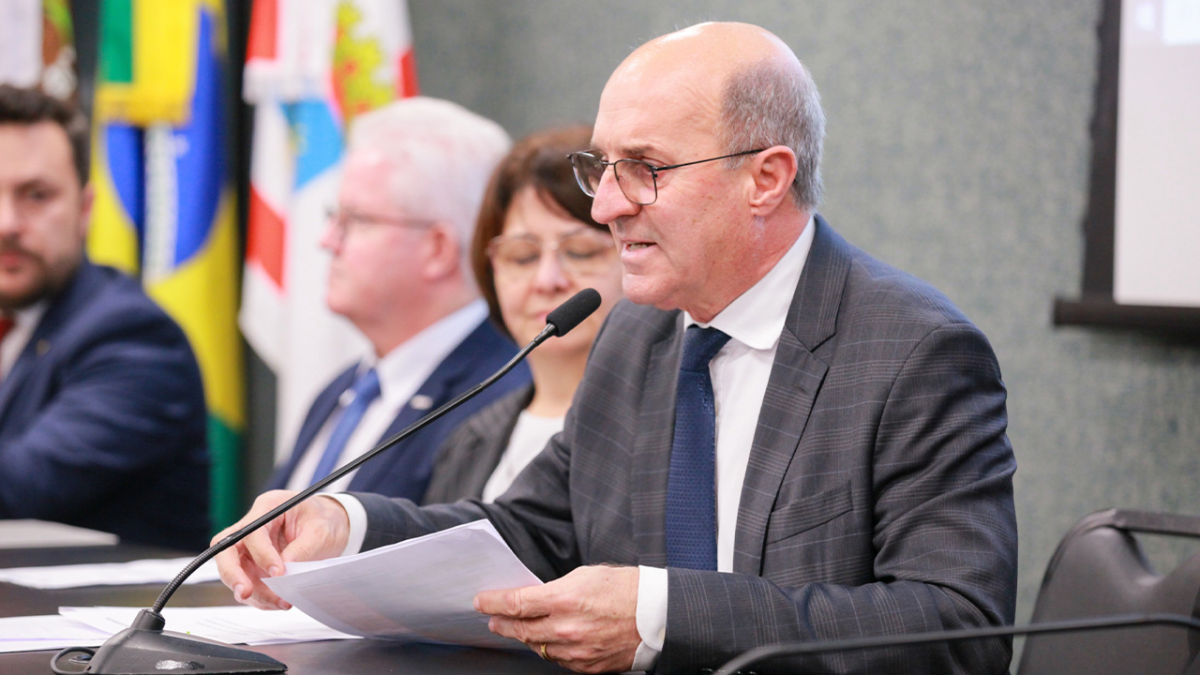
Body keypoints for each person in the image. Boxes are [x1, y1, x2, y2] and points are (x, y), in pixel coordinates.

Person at [216, 22, 1017, 674]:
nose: (604, 205)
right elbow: (530, 531)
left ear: (766, 179)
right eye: (601, 166)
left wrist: (659, 614)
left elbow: (958, 627)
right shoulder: (637, 333)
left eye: (644, 169)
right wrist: (346, 524)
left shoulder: (914, 351)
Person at [264, 97, 531, 501]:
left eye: (356, 220)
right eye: (333, 217)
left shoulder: (499, 395)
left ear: (438, 248)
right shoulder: (342, 390)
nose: (327, 240)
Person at [0, 85, 209, 550]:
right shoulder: (12, 320)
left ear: (85, 209)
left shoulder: (134, 336)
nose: (7, 223)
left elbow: (21, 488)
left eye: (36, 195)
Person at [422, 125, 624, 505]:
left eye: (581, 252)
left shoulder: (665, 426)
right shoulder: (468, 440)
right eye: (522, 257)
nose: (547, 280)